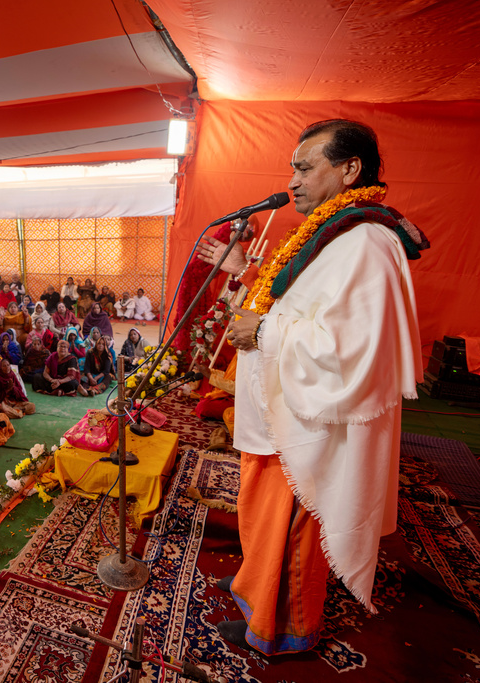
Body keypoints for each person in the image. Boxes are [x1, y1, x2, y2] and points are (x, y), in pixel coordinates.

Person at [194, 119, 427, 655]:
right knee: (265, 513)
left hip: (311, 422)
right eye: (292, 169)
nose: (293, 180)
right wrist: (246, 284)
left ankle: (285, 632)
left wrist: (265, 329)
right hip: (283, 412)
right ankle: (259, 595)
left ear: (349, 170)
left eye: (305, 167)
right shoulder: (333, 232)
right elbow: (298, 304)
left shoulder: (367, 241)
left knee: (294, 527)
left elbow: (356, 347)